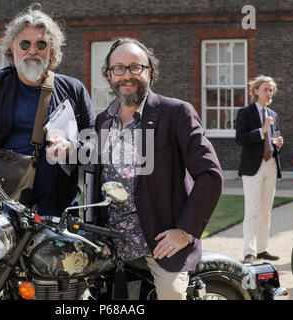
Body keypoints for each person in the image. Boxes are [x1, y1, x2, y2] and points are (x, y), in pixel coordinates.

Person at [93, 38, 223, 300]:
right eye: (118, 68)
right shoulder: (103, 121)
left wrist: (185, 230)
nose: (126, 75)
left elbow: (210, 175)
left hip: (160, 244)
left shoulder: (176, 113)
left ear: (149, 71)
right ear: (109, 75)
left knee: (171, 294)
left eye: (135, 67)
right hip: (111, 243)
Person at [0, 5, 95, 217]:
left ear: (52, 49)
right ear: (12, 47)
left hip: (56, 202)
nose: (32, 50)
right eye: (25, 43)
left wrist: (72, 146)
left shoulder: (73, 89)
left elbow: (93, 137)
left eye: (41, 44)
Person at [235, 75, 284, 265]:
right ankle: (249, 251)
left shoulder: (274, 114)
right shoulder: (245, 113)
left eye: (271, 89)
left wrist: (278, 143)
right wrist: (262, 131)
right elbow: (240, 138)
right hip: (252, 166)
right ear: (255, 91)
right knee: (252, 210)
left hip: (271, 164)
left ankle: (262, 249)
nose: (269, 92)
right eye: (266, 89)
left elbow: (276, 137)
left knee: (266, 210)